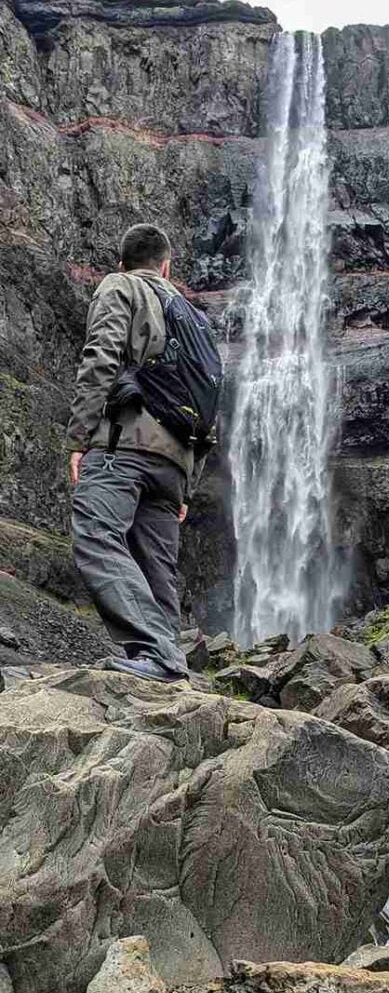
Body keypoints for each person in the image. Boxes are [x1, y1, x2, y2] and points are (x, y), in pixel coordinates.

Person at [67, 223, 200, 683]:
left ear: (123, 264)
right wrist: (187, 482)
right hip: (174, 464)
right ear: (167, 266)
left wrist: (80, 437)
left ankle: (156, 652)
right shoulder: (192, 316)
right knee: (156, 566)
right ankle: (171, 663)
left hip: (124, 445)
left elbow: (101, 355)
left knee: (96, 532)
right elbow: (208, 401)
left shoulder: (120, 287)